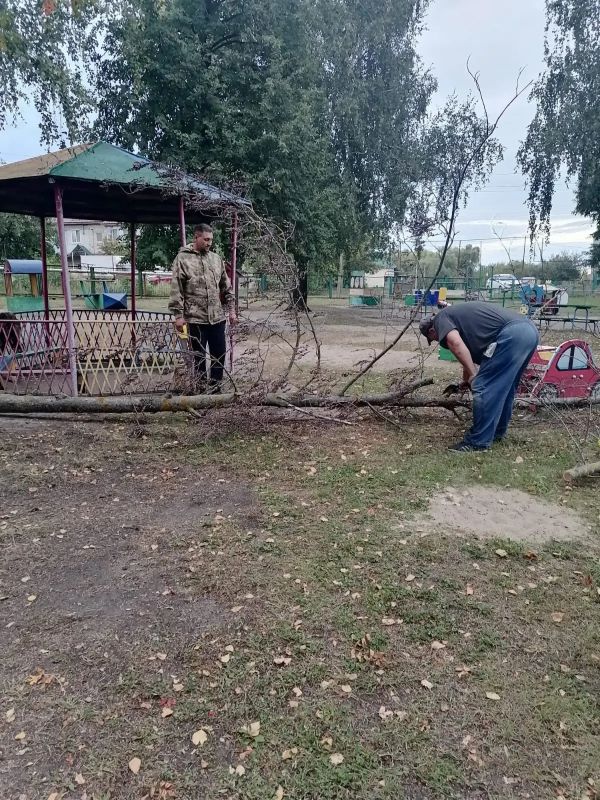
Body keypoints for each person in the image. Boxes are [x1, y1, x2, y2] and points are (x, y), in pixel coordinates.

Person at [419, 302, 539, 451]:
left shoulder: (440, 319)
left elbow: (455, 344)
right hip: (528, 331)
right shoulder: (456, 317)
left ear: (431, 330)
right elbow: (465, 354)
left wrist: (474, 376)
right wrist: (466, 380)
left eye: (433, 338)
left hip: (512, 334)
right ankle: (496, 432)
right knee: (504, 389)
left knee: (484, 386)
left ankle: (477, 442)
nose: (438, 340)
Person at [169, 223, 237, 393]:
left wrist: (231, 310)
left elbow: (226, 286)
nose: (209, 243)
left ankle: (215, 390)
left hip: (217, 318)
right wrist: (178, 316)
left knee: (219, 355)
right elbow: (176, 288)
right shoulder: (182, 259)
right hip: (195, 319)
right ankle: (200, 392)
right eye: (206, 239)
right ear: (196, 237)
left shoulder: (216, 259)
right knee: (198, 358)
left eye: (211, 240)